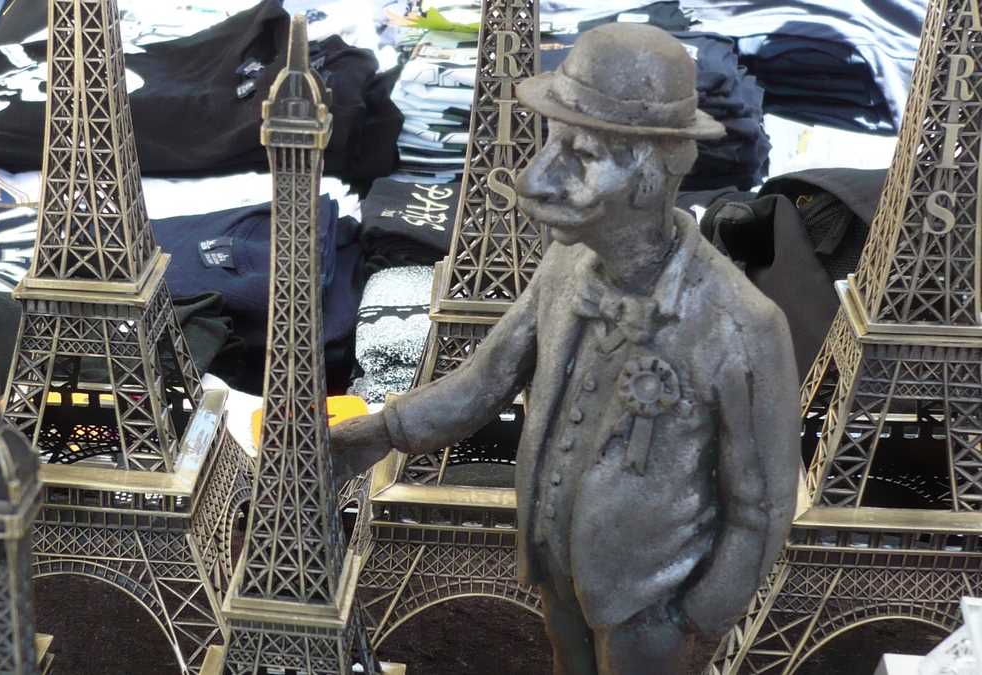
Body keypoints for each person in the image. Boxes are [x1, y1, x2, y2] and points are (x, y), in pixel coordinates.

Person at [331, 23, 800, 675]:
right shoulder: (561, 265)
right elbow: (484, 380)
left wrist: (699, 617)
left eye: (578, 154)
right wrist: (380, 431)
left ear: (649, 172)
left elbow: (762, 507)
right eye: (550, 142)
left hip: (650, 605)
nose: (534, 178)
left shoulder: (742, 325)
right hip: (555, 564)